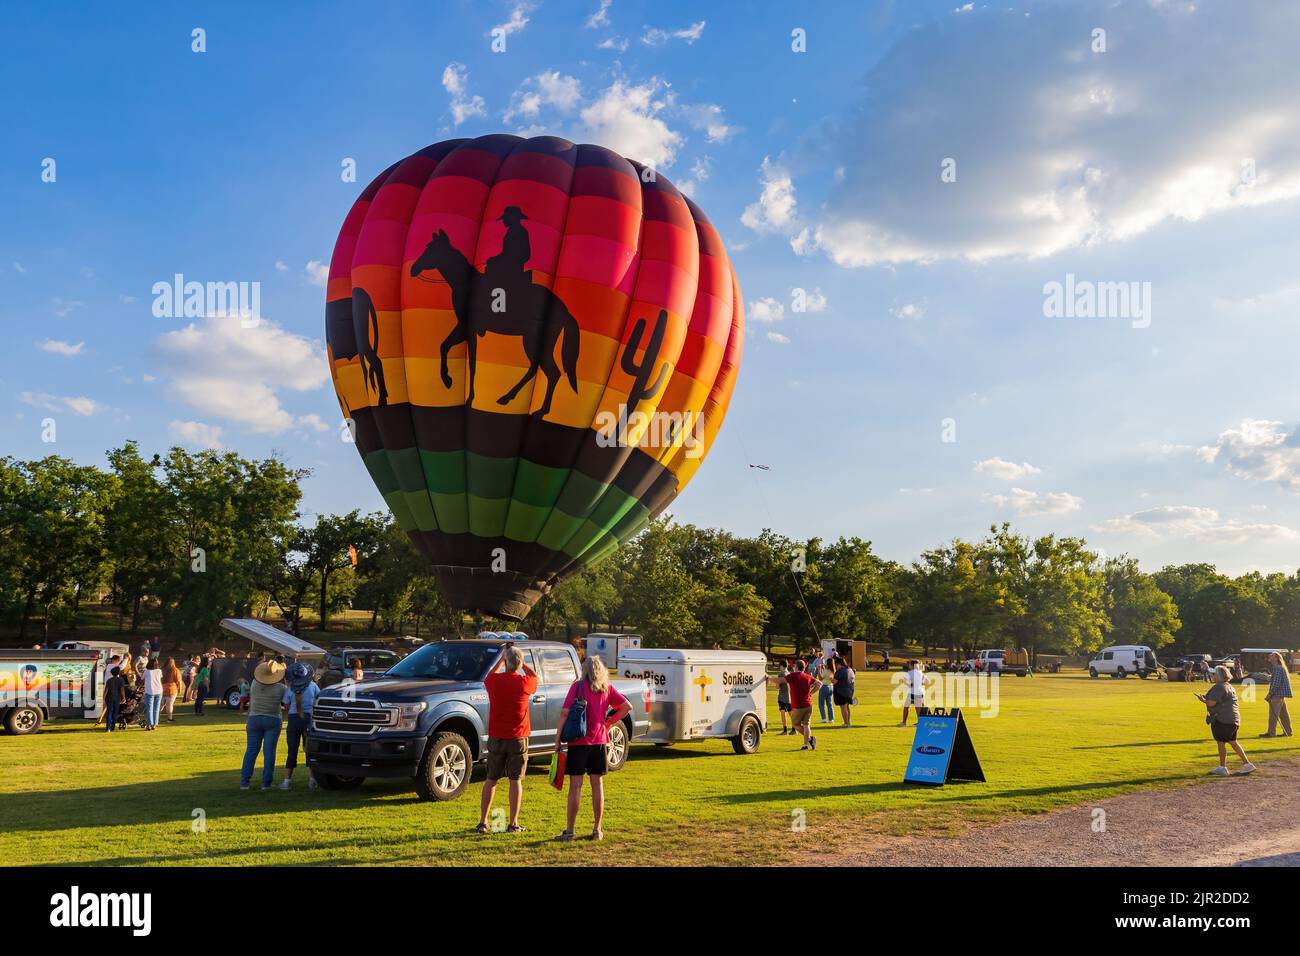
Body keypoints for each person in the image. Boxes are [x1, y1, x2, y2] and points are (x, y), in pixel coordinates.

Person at [554, 656, 631, 842]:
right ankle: (597, 829)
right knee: (597, 785)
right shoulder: (607, 689)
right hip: (599, 742)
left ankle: (570, 831)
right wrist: (609, 722)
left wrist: (557, 740)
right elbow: (626, 707)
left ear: (585, 669)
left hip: (578, 742)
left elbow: (565, 713)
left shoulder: (577, 687)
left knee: (575, 786)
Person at [477, 644, 539, 833]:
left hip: (497, 737)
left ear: (506, 663)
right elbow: (534, 675)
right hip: (518, 737)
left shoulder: (494, 681)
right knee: (516, 780)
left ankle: (484, 821)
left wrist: (502, 657)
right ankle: (513, 823)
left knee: (491, 779)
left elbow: (488, 675)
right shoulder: (524, 683)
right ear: (519, 664)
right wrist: (522, 663)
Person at [1198, 666, 1256, 776]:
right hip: (1232, 719)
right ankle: (1238, 765)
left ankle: (1228, 766)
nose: (1212, 676)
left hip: (1222, 719)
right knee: (1232, 742)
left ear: (1219, 676)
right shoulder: (1228, 686)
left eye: (1214, 674)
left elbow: (1211, 703)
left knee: (1222, 742)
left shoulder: (1219, 687)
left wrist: (1203, 700)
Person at [241, 659, 286, 791]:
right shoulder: (281, 688)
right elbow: (287, 700)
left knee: (251, 751)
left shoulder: (255, 683)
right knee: (269, 752)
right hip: (272, 719)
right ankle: (266, 783)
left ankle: (245, 782)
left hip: (254, 718)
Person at [280, 661, 321, 789]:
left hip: (293, 719)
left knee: (292, 750)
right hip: (309, 719)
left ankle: (287, 781)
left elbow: (286, 706)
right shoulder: (313, 686)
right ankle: (312, 779)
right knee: (309, 750)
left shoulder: (290, 688)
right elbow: (319, 700)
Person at [779, 660, 820, 751]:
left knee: (796, 725)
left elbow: (780, 680)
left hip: (798, 706)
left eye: (794, 666)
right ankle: (807, 743)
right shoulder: (808, 676)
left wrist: (768, 679)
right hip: (808, 705)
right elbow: (819, 684)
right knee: (806, 725)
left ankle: (809, 740)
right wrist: (811, 693)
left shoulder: (793, 676)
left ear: (796, 667)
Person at [1262, 651, 1293, 738]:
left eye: (1271, 655)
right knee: (1284, 715)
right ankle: (1288, 732)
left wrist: (1269, 694)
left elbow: (1276, 683)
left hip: (1277, 695)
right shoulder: (1280, 667)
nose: (1269, 656)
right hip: (1280, 694)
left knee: (1273, 715)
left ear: (1276, 658)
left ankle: (1271, 733)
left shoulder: (1278, 668)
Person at [899, 660, 931, 727]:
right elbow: (928, 681)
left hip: (912, 693)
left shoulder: (910, 672)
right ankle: (920, 722)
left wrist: (910, 684)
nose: (909, 665)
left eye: (910, 664)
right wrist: (922, 683)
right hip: (920, 692)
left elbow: (904, 680)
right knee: (919, 708)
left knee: (906, 707)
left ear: (912, 665)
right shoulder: (921, 673)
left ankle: (904, 723)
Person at [833, 656, 856, 727]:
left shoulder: (840, 671)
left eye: (836, 665)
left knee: (843, 707)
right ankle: (848, 722)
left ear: (839, 664)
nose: (836, 666)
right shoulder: (850, 669)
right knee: (847, 707)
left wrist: (830, 678)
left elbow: (834, 682)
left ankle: (846, 723)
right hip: (850, 691)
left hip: (841, 691)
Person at [102, 666, 126, 733]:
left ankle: (108, 728)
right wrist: (124, 697)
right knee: (115, 713)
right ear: (118, 672)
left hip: (109, 698)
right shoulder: (121, 680)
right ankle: (112, 727)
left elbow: (106, 690)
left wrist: (103, 698)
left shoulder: (109, 680)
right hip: (117, 698)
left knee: (109, 713)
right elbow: (122, 690)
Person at [142, 656, 163, 730]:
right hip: (159, 690)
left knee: (149, 709)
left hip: (149, 691)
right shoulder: (159, 671)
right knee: (156, 709)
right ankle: (154, 724)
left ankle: (149, 725)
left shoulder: (146, 671)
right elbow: (160, 677)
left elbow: (142, 678)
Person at [814, 653, 835, 724]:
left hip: (824, 687)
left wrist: (819, 669)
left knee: (821, 703)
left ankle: (823, 718)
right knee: (829, 704)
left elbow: (820, 678)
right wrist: (823, 668)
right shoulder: (833, 671)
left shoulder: (826, 671)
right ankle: (831, 719)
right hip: (831, 687)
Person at [160, 657, 182, 723]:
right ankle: (170, 718)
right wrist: (179, 689)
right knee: (169, 705)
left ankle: (156, 718)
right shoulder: (175, 670)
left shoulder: (162, 670)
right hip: (172, 688)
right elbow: (179, 681)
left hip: (163, 688)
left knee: (161, 704)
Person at [775, 660, 792, 734]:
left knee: (783, 713)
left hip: (783, 697)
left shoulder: (781, 673)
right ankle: (794, 729)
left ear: (781, 665)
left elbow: (777, 686)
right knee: (791, 714)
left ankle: (785, 730)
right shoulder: (789, 673)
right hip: (790, 697)